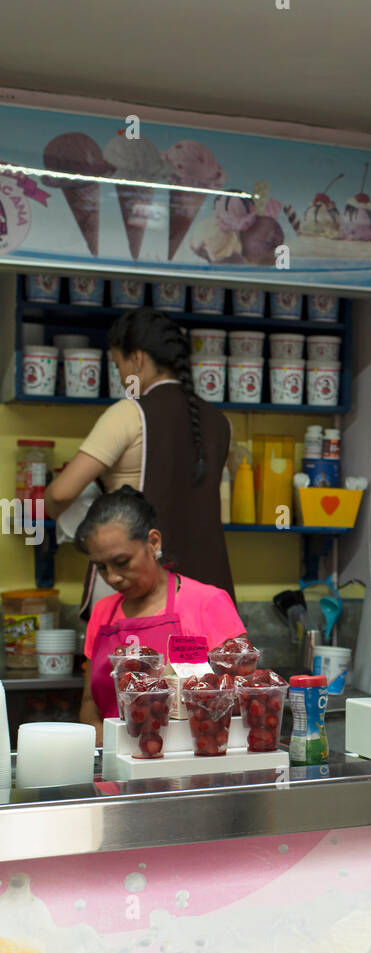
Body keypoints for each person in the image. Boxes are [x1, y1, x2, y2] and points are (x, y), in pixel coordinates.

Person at [44, 307, 235, 613]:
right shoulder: (219, 421)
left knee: (134, 662)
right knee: (194, 662)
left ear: (138, 358)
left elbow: (61, 492)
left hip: (138, 591)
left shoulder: (129, 413)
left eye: (119, 365)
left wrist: (67, 522)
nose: (121, 376)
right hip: (205, 593)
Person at [77, 488, 246, 740]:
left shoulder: (208, 603)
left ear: (153, 542)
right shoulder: (103, 612)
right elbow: (90, 705)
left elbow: (243, 699)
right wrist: (116, 749)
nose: (112, 577)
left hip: (191, 762)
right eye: (101, 567)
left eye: (122, 562)